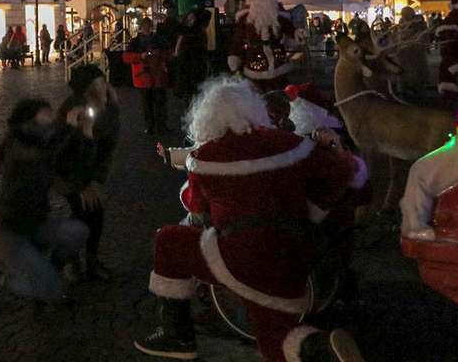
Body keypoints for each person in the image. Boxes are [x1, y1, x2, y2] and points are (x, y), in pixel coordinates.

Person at [134, 78, 368, 362]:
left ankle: (175, 334)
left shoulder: (205, 157)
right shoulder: (292, 144)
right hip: (295, 257)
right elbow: (344, 174)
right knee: (274, 339)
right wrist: (314, 208)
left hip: (240, 259)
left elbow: (194, 205)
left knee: (170, 241)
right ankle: (320, 350)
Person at [0, 98, 90, 312]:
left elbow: (62, 178)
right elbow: (42, 154)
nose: (49, 120)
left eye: (50, 115)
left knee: (78, 232)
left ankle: (48, 270)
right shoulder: (16, 146)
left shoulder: (42, 145)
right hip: (9, 231)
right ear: (27, 121)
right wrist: (67, 127)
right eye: (43, 116)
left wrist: (84, 187)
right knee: (53, 292)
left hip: (37, 224)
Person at [56, 65, 121, 280]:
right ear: (88, 89)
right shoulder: (77, 110)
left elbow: (107, 138)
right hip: (70, 173)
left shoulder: (104, 106)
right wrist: (83, 185)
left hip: (86, 173)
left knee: (88, 215)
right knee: (87, 215)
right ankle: (64, 261)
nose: (105, 86)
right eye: (100, 83)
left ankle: (80, 260)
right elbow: (71, 152)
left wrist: (113, 104)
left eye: (104, 82)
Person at [228, 0, 294, 92]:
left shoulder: (278, 15)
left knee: (281, 98)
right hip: (254, 66)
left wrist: (297, 34)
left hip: (278, 65)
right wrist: (235, 56)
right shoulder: (245, 18)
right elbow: (238, 39)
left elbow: (290, 29)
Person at [123, 18, 170, 134]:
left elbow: (167, 53)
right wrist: (140, 56)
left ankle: (158, 126)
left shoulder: (157, 40)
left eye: (148, 27)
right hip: (145, 76)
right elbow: (127, 57)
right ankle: (153, 126)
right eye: (145, 27)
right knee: (149, 104)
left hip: (154, 76)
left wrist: (158, 56)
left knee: (156, 103)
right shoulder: (136, 42)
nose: (147, 29)